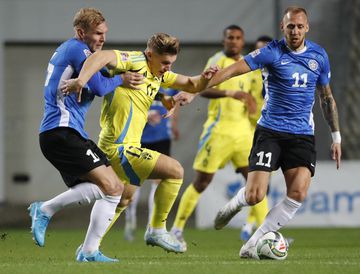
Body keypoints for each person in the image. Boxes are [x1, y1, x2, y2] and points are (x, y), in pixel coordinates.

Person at [61, 32, 218, 253]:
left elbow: (192, 84)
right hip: (119, 147)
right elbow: (102, 56)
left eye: (171, 63)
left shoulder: (159, 76)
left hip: (127, 146)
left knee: (123, 198)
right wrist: (82, 80)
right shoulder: (134, 60)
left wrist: (206, 78)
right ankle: (156, 229)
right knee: (175, 170)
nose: (168, 68)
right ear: (150, 54)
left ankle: (88, 249)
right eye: (165, 62)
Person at [208, 6, 341, 259]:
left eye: (300, 26)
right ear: (283, 27)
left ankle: (253, 243)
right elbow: (234, 69)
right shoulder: (271, 52)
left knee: (298, 193)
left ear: (307, 28)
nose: (295, 31)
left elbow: (326, 98)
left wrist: (336, 136)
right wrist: (199, 86)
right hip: (270, 131)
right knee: (255, 195)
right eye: (290, 26)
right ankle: (237, 202)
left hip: (302, 134)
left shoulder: (319, 56)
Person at [28, 7, 142, 263]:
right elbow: (102, 86)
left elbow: (105, 78)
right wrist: (122, 78)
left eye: (105, 33)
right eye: (97, 33)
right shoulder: (77, 50)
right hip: (61, 131)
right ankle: (46, 210)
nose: (102, 39)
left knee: (111, 189)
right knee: (113, 188)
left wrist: (161, 95)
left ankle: (88, 251)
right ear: (81, 32)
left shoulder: (84, 55)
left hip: (62, 134)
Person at [169, 25, 269, 248]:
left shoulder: (249, 65)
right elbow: (201, 88)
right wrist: (231, 92)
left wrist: (257, 111)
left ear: (243, 42)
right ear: (224, 41)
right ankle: (176, 229)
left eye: (238, 38)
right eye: (230, 38)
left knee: (256, 182)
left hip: (244, 134)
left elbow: (254, 97)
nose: (233, 41)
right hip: (218, 132)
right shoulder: (217, 61)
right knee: (202, 182)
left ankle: (265, 233)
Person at [124, 87, 180, 242]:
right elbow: (128, 104)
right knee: (134, 182)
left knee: (160, 181)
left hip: (162, 138)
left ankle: (152, 225)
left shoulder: (171, 84)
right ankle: (130, 221)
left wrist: (174, 124)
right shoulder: (142, 79)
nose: (167, 66)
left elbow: (175, 105)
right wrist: (146, 115)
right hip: (140, 137)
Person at [240, 35, 273, 241]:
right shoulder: (250, 75)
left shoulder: (277, 74)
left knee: (262, 187)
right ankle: (259, 229)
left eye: (266, 49)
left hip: (273, 135)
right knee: (258, 185)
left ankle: (250, 225)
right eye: (258, 50)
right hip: (253, 135)